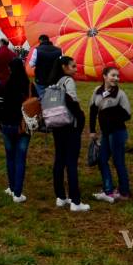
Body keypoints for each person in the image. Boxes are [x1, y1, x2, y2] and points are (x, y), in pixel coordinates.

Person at [51, 56, 89, 212]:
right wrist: (81, 118)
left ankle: (60, 197)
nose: (76, 69)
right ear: (64, 67)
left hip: (57, 125)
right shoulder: (68, 81)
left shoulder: (54, 82)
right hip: (69, 126)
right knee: (71, 163)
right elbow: (72, 102)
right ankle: (75, 201)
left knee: (59, 160)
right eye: (73, 66)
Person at [89, 67, 132, 203]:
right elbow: (92, 111)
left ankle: (124, 192)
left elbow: (127, 114)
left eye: (117, 76)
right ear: (105, 76)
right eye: (113, 75)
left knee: (118, 161)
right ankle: (108, 190)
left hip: (117, 132)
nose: (116, 78)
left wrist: (111, 115)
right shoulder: (97, 91)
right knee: (102, 160)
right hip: (105, 133)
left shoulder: (120, 94)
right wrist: (92, 130)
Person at [0, 57, 32, 203]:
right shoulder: (27, 84)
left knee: (10, 156)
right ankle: (18, 193)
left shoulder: (3, 85)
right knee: (20, 158)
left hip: (7, 124)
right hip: (24, 125)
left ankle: (11, 187)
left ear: (10, 69)